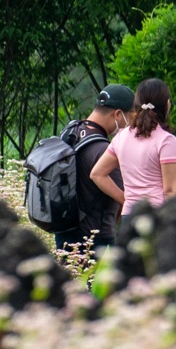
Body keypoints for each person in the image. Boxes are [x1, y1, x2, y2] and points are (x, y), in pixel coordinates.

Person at [55, 84, 133, 256]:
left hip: (63, 232)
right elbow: (122, 197)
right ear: (118, 114)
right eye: (129, 119)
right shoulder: (104, 150)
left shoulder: (70, 133)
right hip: (96, 239)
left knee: (71, 282)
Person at [94, 77, 176, 215]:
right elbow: (170, 191)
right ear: (167, 105)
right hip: (157, 216)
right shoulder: (166, 141)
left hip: (130, 215)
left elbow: (97, 173)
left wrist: (127, 200)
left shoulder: (121, 137)